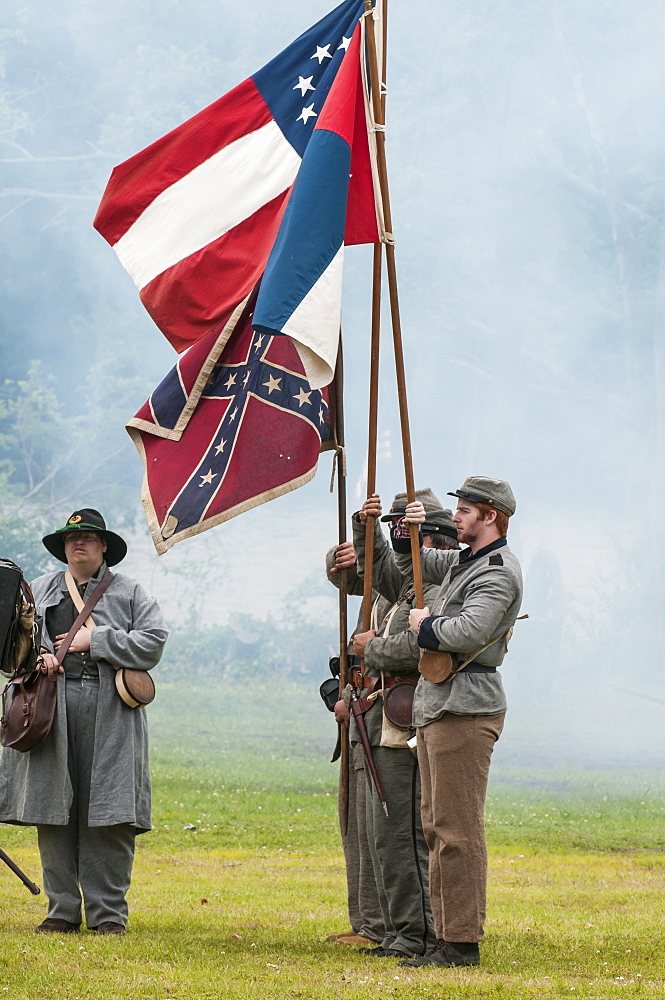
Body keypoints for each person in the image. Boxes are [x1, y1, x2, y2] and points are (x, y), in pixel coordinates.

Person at [0, 508, 168, 934]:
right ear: (64, 547)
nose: (80, 544)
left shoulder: (130, 592)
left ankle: (108, 914)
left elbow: (152, 644)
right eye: (73, 538)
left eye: (90, 538)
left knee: (109, 812)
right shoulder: (37, 589)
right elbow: (12, 649)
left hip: (111, 708)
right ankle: (61, 911)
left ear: (104, 546)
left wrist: (97, 639)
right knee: (52, 809)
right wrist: (38, 658)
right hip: (49, 709)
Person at [388, 476, 523, 969]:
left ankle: (461, 943)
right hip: (440, 705)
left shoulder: (498, 571)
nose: (457, 516)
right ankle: (445, 938)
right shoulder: (465, 563)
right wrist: (409, 531)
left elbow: (468, 632)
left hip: (466, 708)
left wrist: (423, 626)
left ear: (491, 515)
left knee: (457, 830)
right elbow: (413, 565)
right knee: (437, 826)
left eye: (465, 510)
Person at [344, 489, 457, 960]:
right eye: (392, 527)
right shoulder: (409, 585)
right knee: (379, 833)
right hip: (381, 711)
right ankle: (397, 931)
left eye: (406, 529)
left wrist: (370, 648)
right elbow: (374, 571)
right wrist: (362, 525)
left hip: (408, 714)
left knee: (402, 832)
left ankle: (416, 934)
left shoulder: (445, 585)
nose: (397, 534)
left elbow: (421, 649)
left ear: (434, 538)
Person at [325, 540, 385, 947]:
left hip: (385, 713)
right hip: (358, 707)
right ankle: (364, 922)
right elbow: (346, 577)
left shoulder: (420, 575)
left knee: (376, 827)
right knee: (354, 822)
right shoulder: (387, 577)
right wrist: (338, 557)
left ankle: (379, 926)